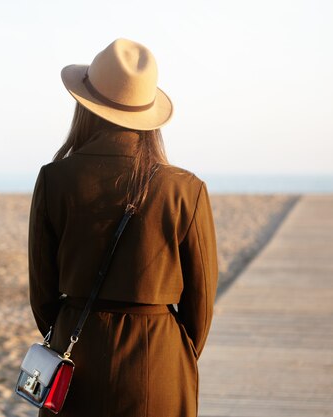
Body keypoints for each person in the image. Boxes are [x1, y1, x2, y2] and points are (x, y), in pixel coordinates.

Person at [28, 38, 219, 417]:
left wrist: (73, 329)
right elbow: (201, 306)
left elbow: (43, 297)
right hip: (159, 361)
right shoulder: (185, 189)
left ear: (86, 107)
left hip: (76, 354)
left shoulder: (54, 179)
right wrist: (172, 355)